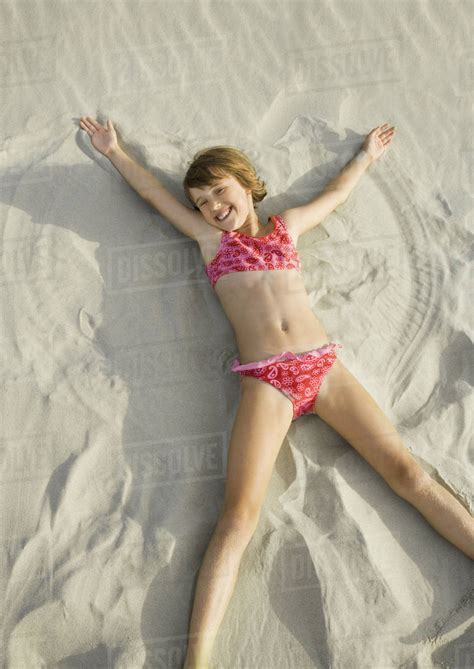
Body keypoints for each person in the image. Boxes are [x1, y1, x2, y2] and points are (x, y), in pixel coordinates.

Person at [79, 117, 474, 669]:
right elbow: (150, 192)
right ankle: (197, 660)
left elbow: (334, 196)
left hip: (323, 368)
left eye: (221, 190)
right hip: (267, 379)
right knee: (238, 517)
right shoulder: (209, 240)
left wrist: (364, 158)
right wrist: (115, 151)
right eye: (202, 200)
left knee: (407, 474)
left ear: (247, 184)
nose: (214, 205)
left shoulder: (286, 227)